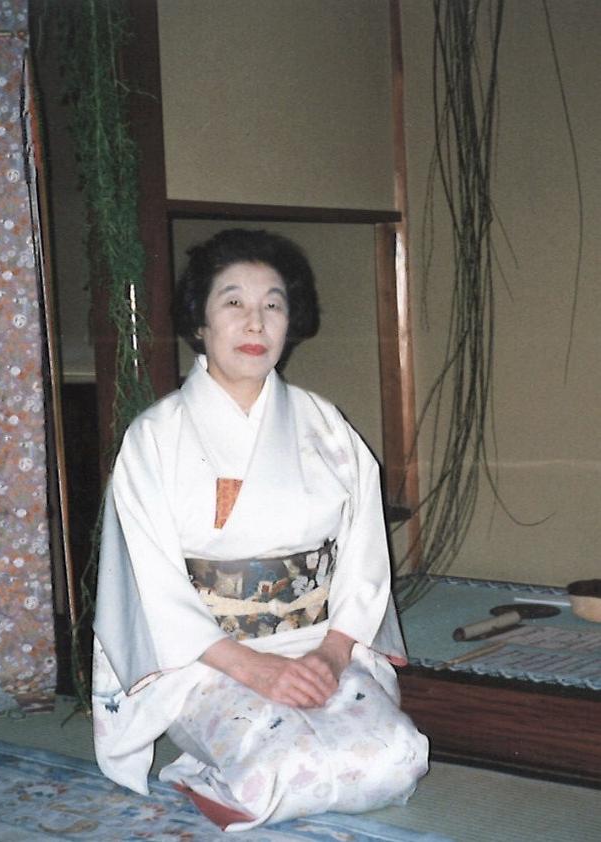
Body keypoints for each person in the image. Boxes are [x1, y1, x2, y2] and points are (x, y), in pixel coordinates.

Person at [91, 229, 428, 831]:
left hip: (319, 643)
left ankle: (251, 749)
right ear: (200, 322)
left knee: (399, 758)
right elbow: (150, 586)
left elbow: (364, 556)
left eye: (273, 304)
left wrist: (332, 655)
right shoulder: (155, 437)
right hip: (205, 661)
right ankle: (201, 768)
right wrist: (253, 669)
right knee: (281, 767)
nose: (255, 322)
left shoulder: (326, 426)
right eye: (233, 302)